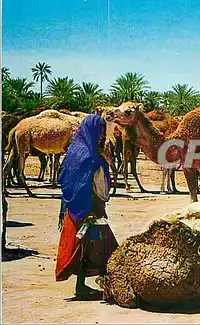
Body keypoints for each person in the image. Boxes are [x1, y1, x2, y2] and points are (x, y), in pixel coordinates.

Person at [55, 114, 118, 300]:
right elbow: (102, 189)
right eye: (100, 131)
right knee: (92, 246)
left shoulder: (73, 152)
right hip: (90, 209)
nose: (101, 136)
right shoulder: (92, 158)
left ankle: (92, 284)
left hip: (72, 208)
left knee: (87, 246)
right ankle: (83, 286)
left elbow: (65, 180)